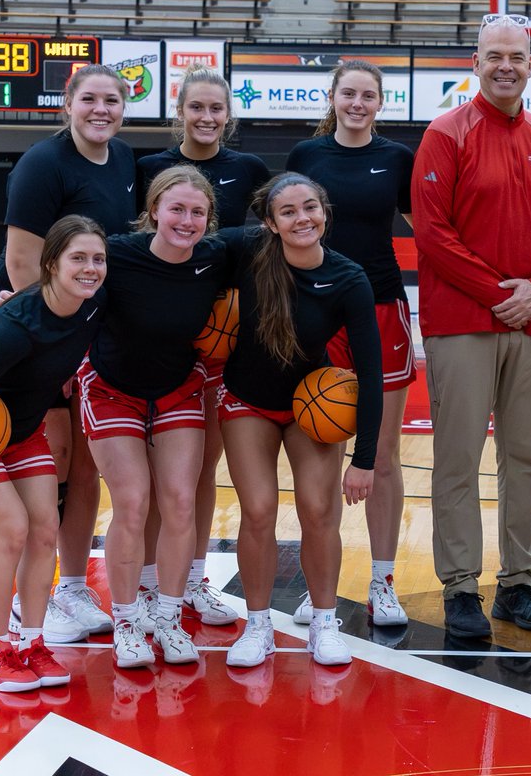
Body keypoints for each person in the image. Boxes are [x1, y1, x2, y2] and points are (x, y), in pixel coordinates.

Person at [412, 13, 531, 639]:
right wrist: (498, 293)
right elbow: (431, 232)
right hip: (462, 321)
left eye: (517, 55)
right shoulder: (445, 133)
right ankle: (459, 587)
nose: (506, 65)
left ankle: (517, 584)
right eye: (494, 56)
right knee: (458, 456)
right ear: (475, 62)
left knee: (524, 458)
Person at [0, 64, 136, 643]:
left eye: (112, 101)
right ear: (67, 103)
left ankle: (70, 586)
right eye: (89, 99)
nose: (101, 110)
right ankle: (30, 600)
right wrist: (52, 349)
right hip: (35, 328)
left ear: (125, 108)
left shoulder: (122, 161)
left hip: (82, 324)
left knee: (84, 462)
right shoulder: (42, 164)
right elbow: (22, 264)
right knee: (53, 460)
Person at [0, 216, 107, 691]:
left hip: (25, 431)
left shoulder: (92, 307)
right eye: (78, 258)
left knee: (45, 528)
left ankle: (32, 643)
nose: (90, 268)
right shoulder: (16, 325)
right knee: (11, 531)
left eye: (97, 259)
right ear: (51, 264)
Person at [222, 173, 382, 669]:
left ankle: (324, 621)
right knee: (259, 510)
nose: (301, 218)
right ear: (270, 222)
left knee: (318, 509)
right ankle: (257, 625)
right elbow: (168, 258)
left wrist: (366, 459)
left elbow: (371, 372)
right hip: (247, 400)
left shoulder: (349, 277)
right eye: (287, 212)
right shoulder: (245, 252)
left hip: (310, 404)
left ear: (324, 212)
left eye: (310, 207)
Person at [79, 166, 232, 669]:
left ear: (209, 220)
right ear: (154, 211)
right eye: (176, 209)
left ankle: (166, 619)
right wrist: (13, 305)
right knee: (132, 500)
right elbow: (60, 274)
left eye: (197, 212)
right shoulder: (117, 254)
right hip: (112, 387)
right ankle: (126, 621)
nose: (186, 220)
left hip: (176, 386)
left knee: (180, 501)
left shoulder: (215, 256)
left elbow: (279, 240)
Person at [136, 67, 269, 629]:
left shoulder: (250, 170)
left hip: (221, 338)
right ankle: (146, 583)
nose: (208, 118)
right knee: (151, 473)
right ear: (180, 111)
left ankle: (192, 580)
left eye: (217, 109)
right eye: (198, 108)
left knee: (203, 466)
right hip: (157, 334)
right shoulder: (148, 170)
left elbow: (265, 251)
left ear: (229, 115)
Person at [286, 59, 415, 629]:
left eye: (368, 95)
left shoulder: (397, 159)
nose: (358, 103)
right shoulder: (306, 159)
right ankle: (322, 588)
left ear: (380, 102)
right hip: (317, 313)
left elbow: (431, 233)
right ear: (333, 98)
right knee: (323, 460)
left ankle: (384, 582)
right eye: (349, 94)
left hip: (383, 308)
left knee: (381, 457)